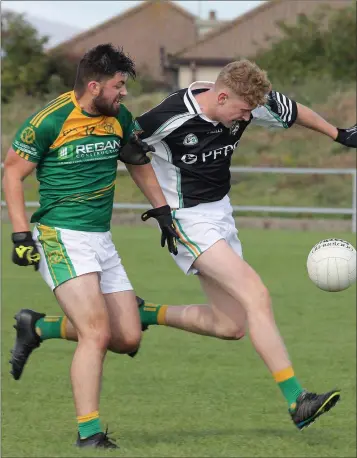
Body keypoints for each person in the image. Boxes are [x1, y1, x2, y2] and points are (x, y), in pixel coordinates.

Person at [9, 60, 357, 431]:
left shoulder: (248, 102)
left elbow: (292, 111)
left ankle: (72, 323)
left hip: (221, 215)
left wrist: (339, 135)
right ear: (221, 96)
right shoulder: (168, 117)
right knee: (256, 294)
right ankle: (296, 399)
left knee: (231, 325)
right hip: (186, 220)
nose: (246, 118)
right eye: (241, 111)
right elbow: (121, 141)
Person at [3, 43, 178, 449]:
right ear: (94, 86)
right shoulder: (51, 119)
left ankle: (38, 326)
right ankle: (89, 434)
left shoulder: (119, 118)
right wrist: (19, 233)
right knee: (96, 333)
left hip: (101, 240)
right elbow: (12, 173)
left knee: (128, 338)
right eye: (119, 86)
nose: (125, 94)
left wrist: (163, 210)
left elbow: (137, 161)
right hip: (60, 237)